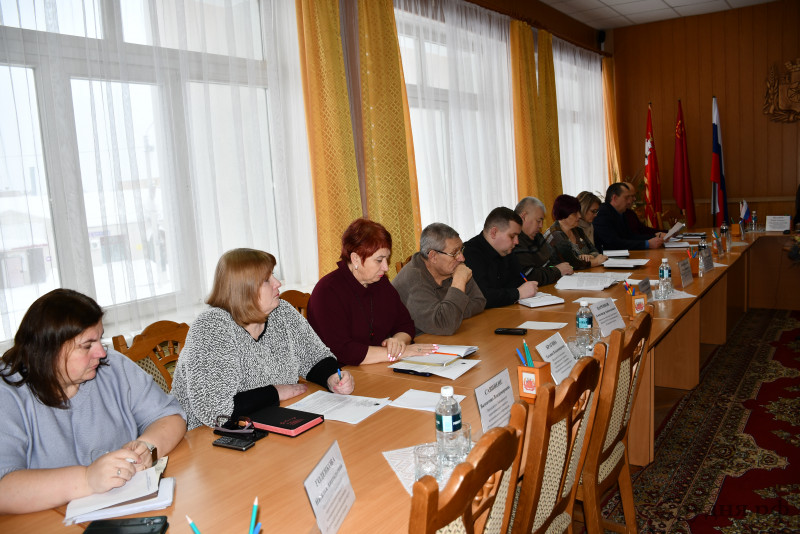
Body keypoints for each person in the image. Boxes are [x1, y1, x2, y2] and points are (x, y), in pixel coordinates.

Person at [0, 289, 187, 514]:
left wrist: (147, 447)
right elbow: (4, 487)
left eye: (100, 339)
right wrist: (87, 479)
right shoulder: (8, 394)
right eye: (87, 345)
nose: (101, 352)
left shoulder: (113, 367)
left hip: (127, 511)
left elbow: (170, 416)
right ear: (49, 350)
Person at [171, 249, 355, 430]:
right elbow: (215, 412)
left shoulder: (282, 311)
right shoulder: (212, 326)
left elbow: (315, 357)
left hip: (268, 419)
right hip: (206, 436)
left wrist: (332, 378)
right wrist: (275, 392)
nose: (277, 283)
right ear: (243, 289)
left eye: (273, 275)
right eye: (267, 279)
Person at [307, 219, 437, 365]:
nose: (386, 267)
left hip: (377, 367)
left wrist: (398, 342)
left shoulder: (380, 283)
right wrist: (400, 353)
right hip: (342, 373)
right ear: (355, 259)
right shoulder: (327, 291)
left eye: (387, 259)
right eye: (379, 260)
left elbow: (405, 324)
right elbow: (342, 351)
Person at [392, 223, 486, 335]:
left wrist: (450, 313)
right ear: (433, 256)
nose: (462, 258)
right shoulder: (414, 278)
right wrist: (459, 281)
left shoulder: (452, 268)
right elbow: (445, 326)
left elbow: (479, 301)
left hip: (442, 336)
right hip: (413, 341)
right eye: (454, 253)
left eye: (461, 249)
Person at [463, 207, 539, 309]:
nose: (517, 242)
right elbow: (482, 296)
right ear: (494, 232)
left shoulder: (507, 250)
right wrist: (517, 293)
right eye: (512, 236)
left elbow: (520, 281)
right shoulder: (469, 253)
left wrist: (520, 290)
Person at [512, 197, 573, 285]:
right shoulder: (514, 241)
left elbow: (554, 262)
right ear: (523, 217)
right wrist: (557, 271)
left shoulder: (538, 236)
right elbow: (529, 276)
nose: (541, 226)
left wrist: (558, 269)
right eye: (538, 221)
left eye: (542, 221)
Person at [593, 183, 665, 251]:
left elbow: (630, 236)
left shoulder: (621, 212)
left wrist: (654, 237)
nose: (629, 202)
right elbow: (613, 243)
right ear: (615, 198)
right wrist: (647, 244)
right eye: (626, 198)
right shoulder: (602, 213)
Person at [544, 194, 608, 269]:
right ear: (563, 215)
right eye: (575, 214)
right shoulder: (555, 235)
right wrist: (596, 261)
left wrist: (590, 256)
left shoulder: (578, 230)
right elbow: (573, 264)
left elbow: (595, 251)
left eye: (579, 212)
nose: (579, 216)